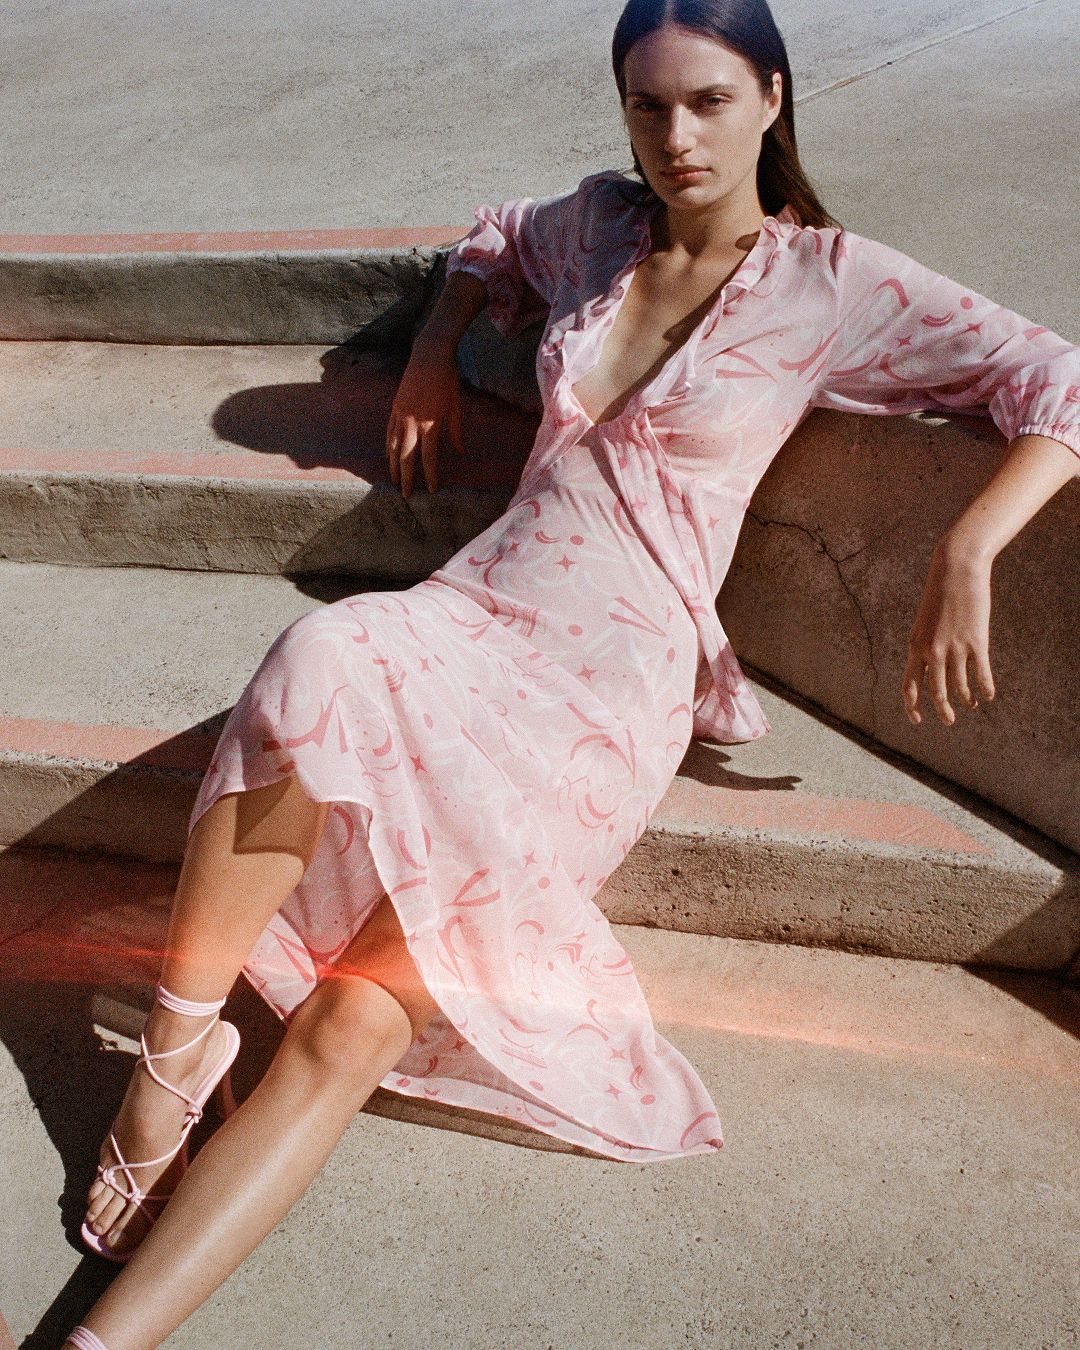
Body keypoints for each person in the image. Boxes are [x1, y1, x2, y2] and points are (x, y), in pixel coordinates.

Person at [65, 0, 1080, 1344]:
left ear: (774, 98)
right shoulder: (602, 224)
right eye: (647, 106)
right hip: (482, 604)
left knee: (356, 1024)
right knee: (322, 654)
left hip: (612, 685)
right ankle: (172, 1062)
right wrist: (437, 345)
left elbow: (1056, 379)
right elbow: (492, 235)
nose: (676, 137)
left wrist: (970, 546)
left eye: (709, 101)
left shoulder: (833, 282)